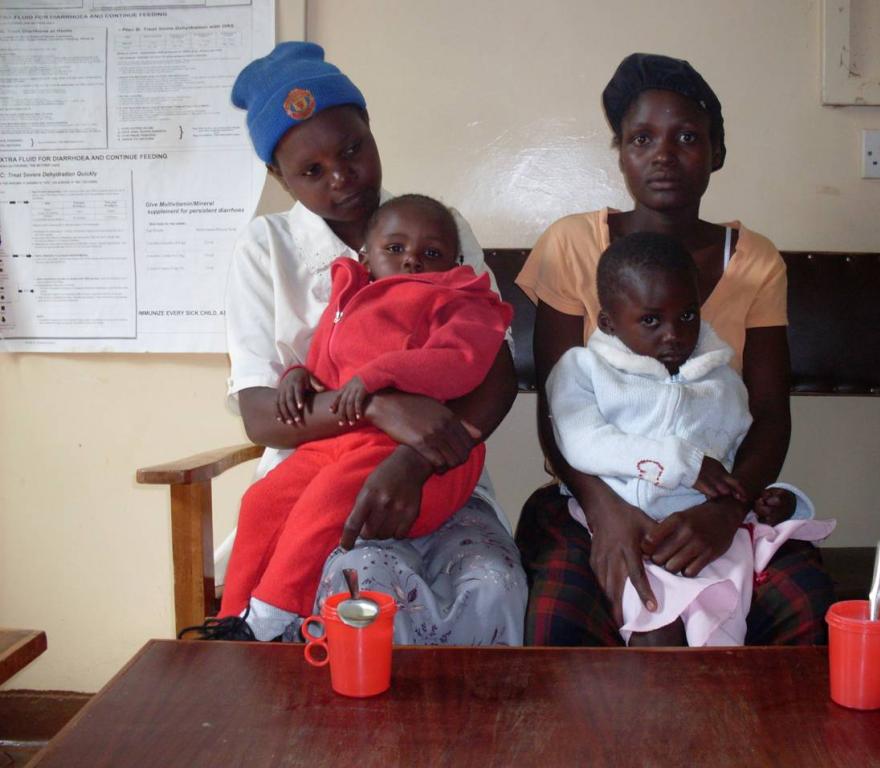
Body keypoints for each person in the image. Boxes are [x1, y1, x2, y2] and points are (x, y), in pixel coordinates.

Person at [185, 42, 526, 644]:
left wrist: (414, 456)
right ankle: (247, 629)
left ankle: (472, 735)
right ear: (277, 176)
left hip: (438, 464)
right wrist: (376, 406)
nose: (342, 179)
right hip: (310, 477)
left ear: (370, 131)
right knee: (355, 587)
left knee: (491, 583)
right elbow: (264, 417)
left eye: (352, 151)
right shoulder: (265, 250)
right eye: (311, 171)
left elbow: (491, 372)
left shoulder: (436, 226)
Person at [515, 52, 835, 646]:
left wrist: (726, 512)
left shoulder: (755, 260)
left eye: (687, 137)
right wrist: (608, 514)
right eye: (642, 138)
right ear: (621, 153)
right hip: (595, 494)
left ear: (716, 153)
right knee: (557, 623)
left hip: (718, 497)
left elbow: (769, 414)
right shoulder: (571, 245)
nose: (664, 154)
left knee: (807, 611)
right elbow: (557, 416)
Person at [212, 194, 513, 640]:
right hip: (336, 442)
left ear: (454, 262)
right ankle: (231, 621)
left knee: (326, 501)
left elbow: (461, 363)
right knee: (261, 501)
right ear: (366, 256)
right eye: (396, 249)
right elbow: (326, 368)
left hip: (407, 451)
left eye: (431, 254)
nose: (412, 260)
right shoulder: (351, 297)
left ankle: (272, 615)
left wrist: (378, 378)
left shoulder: (458, 302)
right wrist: (297, 376)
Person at [546, 231, 834, 646]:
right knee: (656, 632)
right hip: (627, 524)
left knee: (718, 632)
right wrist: (681, 462)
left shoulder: (721, 382)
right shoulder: (583, 370)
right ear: (608, 322)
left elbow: (733, 459)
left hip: (701, 533)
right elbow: (582, 443)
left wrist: (761, 499)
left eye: (687, 316)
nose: (674, 335)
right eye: (651, 320)